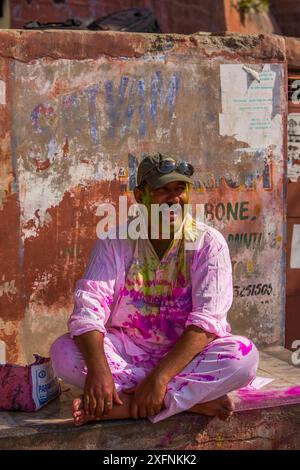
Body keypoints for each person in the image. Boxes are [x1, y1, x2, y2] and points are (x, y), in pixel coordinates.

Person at [50, 153, 259, 426]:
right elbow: (88, 308)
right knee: (63, 352)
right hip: (127, 353)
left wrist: (160, 379)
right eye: (162, 189)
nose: (173, 199)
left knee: (243, 358)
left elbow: (206, 324)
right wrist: (100, 370)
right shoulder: (114, 241)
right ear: (140, 195)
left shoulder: (209, 244)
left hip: (185, 360)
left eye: (179, 189)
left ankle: (128, 405)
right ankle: (190, 401)